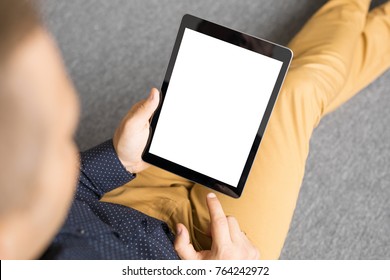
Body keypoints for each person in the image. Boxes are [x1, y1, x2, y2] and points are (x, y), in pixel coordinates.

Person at [0, 0, 389, 259]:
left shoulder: (21, 214)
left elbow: (75, 190)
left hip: (122, 197)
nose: (75, 153)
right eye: (60, 139)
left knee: (256, 87)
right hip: (210, 252)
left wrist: (116, 158)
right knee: (297, 92)